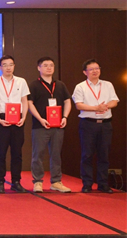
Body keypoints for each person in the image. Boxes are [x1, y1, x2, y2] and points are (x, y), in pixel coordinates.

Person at [72, 59, 120, 193]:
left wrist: (105, 106)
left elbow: (115, 101)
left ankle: (103, 184)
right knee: (87, 154)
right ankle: (87, 184)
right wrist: (96, 108)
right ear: (85, 72)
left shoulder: (108, 85)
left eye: (97, 68)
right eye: (91, 69)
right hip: (88, 124)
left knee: (104, 155)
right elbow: (79, 105)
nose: (95, 71)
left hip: (105, 124)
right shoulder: (80, 86)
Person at [27, 57, 72, 193]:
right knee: (38, 155)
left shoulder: (60, 85)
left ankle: (56, 181)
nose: (48, 68)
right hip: (40, 126)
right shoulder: (34, 85)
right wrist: (40, 119)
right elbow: (29, 104)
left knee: (56, 154)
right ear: (38, 68)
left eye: (51, 65)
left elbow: (67, 101)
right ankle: (38, 181)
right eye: (45, 65)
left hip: (58, 126)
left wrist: (65, 117)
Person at [0, 55, 30, 193]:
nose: (8, 67)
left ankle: (16, 182)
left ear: (14, 66)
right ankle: (0, 182)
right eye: (5, 65)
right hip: (2, 119)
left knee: (17, 153)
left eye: (10, 64)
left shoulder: (21, 81)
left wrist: (23, 117)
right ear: (0, 67)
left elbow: (24, 101)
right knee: (1, 152)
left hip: (18, 119)